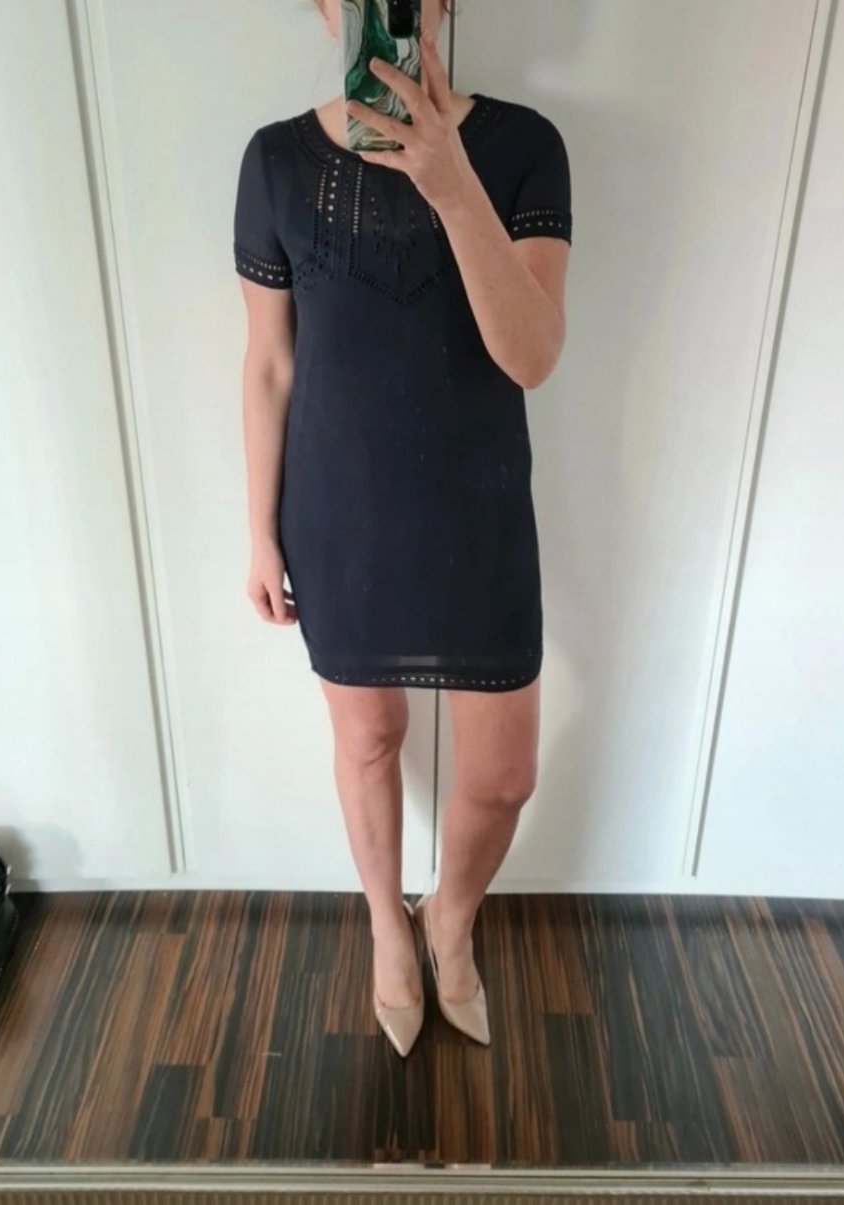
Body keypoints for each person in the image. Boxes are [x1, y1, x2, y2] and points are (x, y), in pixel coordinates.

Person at [233, 0, 572, 1056]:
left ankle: (449, 915)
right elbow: (270, 363)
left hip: (478, 511)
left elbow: (531, 354)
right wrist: (259, 531)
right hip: (341, 512)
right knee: (368, 738)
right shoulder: (275, 160)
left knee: (503, 775)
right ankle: (387, 922)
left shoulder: (524, 146)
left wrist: (451, 181)